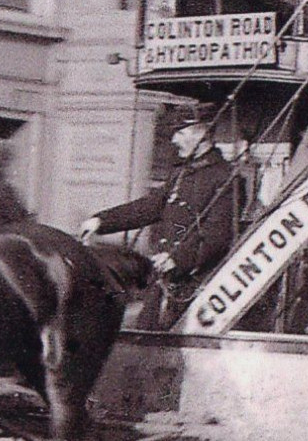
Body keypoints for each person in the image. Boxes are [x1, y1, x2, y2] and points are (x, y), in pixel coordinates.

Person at [80, 105, 241, 330]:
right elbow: (150, 207)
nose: (174, 140)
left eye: (181, 133)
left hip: (197, 284)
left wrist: (178, 259)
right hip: (166, 280)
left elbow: (218, 235)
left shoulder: (225, 176)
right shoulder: (182, 172)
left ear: (202, 134)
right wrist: (101, 221)